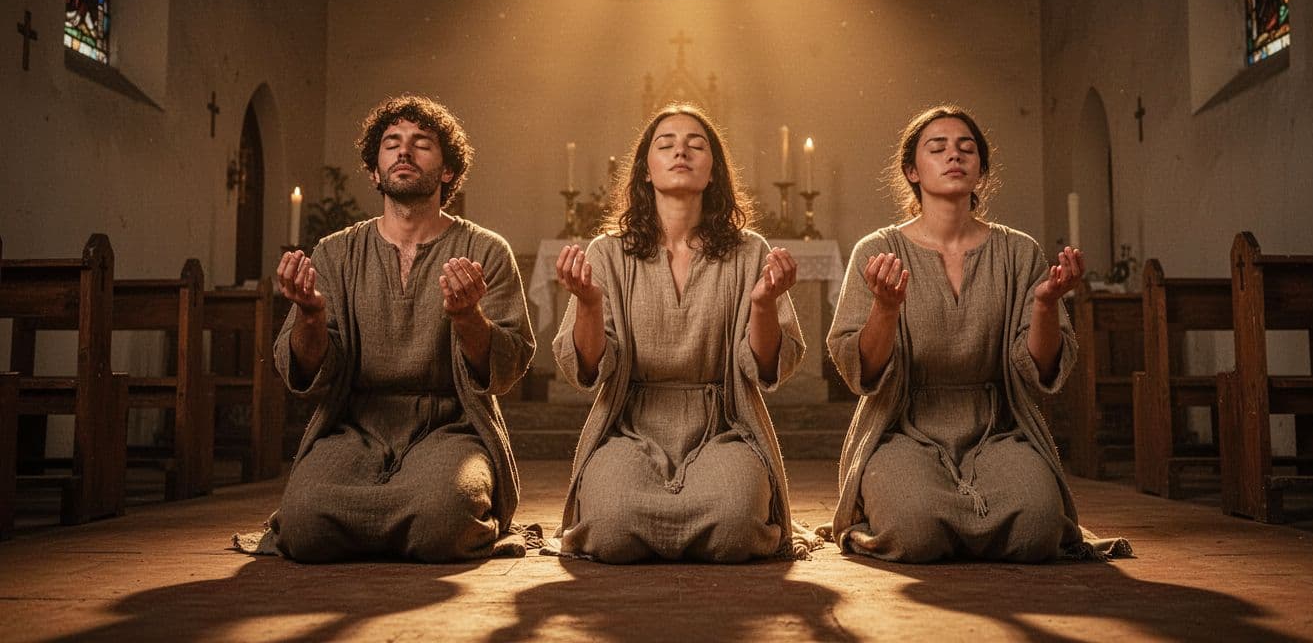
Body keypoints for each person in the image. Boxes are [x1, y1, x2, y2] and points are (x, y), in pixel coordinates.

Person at [233, 95, 536, 562]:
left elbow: (507, 367)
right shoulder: (335, 253)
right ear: (375, 172)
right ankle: (396, 519)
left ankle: (419, 514)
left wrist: (467, 317)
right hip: (355, 427)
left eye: (422, 143)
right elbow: (306, 372)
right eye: (392, 143)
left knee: (443, 519)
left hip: (451, 428)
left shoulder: (486, 250)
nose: (404, 151)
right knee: (303, 524)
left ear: (448, 170)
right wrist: (310, 315)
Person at [823, 104, 1130, 562]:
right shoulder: (878, 250)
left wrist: (1046, 304)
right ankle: (894, 508)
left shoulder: (1018, 251)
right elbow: (860, 371)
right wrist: (885, 309)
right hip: (901, 427)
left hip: (997, 428)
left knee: (1038, 529)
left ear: (981, 170)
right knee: (915, 532)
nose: (955, 155)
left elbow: (1040, 368)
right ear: (911, 170)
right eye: (938, 147)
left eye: (966, 148)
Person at [548, 103, 819, 563]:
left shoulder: (749, 251)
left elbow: (766, 367)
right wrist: (589, 305)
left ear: (714, 172)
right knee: (610, 528)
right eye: (666, 144)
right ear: (645, 170)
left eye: (696, 144)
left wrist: (763, 304)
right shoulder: (608, 253)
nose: (681, 152)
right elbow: (589, 370)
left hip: (725, 424)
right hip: (629, 425)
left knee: (736, 526)